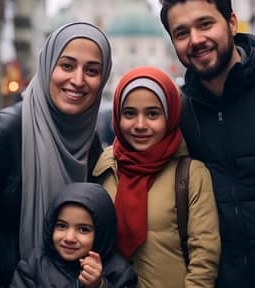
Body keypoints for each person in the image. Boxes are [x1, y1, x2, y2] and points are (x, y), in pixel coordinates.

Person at [159, 0, 255, 288]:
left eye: (205, 24)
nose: (196, 39)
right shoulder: (182, 115)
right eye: (181, 32)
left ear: (231, 23)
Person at [0, 21, 112, 287]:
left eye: (91, 70)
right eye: (66, 65)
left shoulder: (92, 145)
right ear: (47, 66)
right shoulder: (1, 134)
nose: (77, 81)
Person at [92, 66, 220, 288]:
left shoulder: (190, 174)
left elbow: (204, 257)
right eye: (129, 113)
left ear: (170, 116)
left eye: (152, 114)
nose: (140, 125)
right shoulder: (104, 169)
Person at [10, 182, 137, 288]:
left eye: (83, 229)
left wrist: (100, 285)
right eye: (62, 226)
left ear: (101, 234)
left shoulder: (119, 272)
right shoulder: (34, 265)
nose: (69, 238)